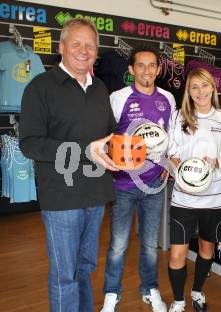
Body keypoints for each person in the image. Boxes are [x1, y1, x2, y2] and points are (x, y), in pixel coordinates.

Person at [19, 18, 119, 312]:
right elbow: (30, 143)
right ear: (61, 46)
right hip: (61, 199)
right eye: (76, 43)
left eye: (90, 45)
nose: (83, 50)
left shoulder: (100, 87)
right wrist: (84, 150)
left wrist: (132, 146)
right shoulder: (40, 87)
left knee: (83, 269)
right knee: (64, 276)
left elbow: (109, 134)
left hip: (96, 195)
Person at [100, 44, 176, 312]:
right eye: (141, 65)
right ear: (131, 69)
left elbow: (171, 138)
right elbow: (108, 137)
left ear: (158, 69)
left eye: (152, 65)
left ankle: (150, 289)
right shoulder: (118, 97)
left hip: (154, 184)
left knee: (149, 245)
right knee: (118, 245)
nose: (147, 70)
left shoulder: (167, 98)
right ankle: (112, 293)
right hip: (123, 184)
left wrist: (169, 160)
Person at [167, 68, 221, 312]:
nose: (200, 92)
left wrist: (219, 163)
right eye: (194, 87)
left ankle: (196, 292)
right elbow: (170, 153)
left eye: (204, 86)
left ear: (212, 88)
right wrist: (180, 169)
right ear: (188, 91)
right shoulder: (178, 116)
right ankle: (178, 301)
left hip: (215, 200)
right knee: (177, 255)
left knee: (206, 250)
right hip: (183, 198)